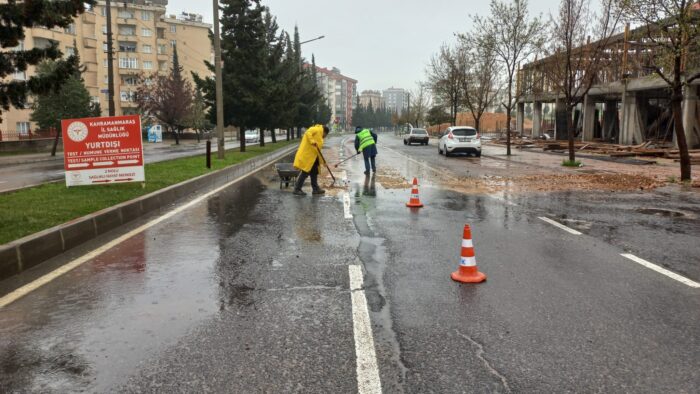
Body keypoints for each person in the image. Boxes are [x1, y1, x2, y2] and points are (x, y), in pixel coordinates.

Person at [293, 124, 330, 196]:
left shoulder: (320, 136)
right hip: (307, 155)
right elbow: (307, 133)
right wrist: (312, 141)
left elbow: (318, 151)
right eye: (326, 135)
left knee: (314, 172)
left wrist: (323, 162)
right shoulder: (316, 129)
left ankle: (315, 189)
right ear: (325, 132)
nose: (325, 137)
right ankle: (297, 189)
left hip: (313, 157)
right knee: (305, 172)